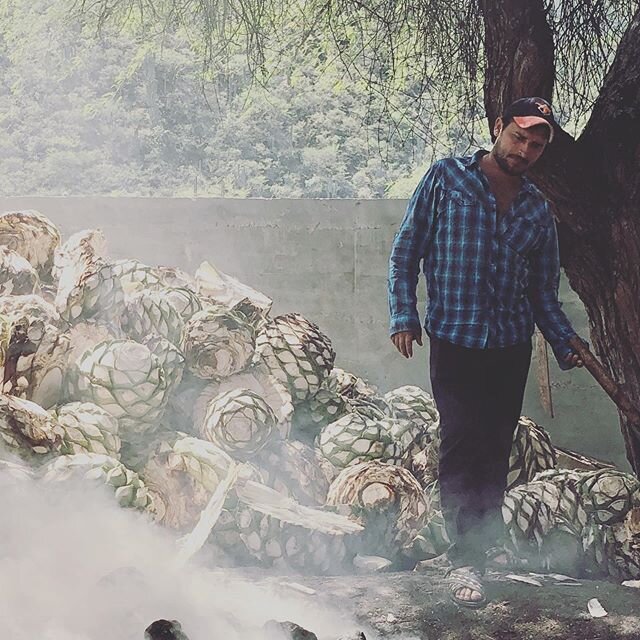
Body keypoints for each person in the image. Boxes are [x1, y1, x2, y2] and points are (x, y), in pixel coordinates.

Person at [387, 97, 585, 608]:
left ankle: (485, 543)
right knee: (461, 441)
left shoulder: (538, 210)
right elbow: (406, 250)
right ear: (498, 129)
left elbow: (544, 292)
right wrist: (403, 314)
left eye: (536, 144)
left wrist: (566, 341)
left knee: (495, 446)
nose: (525, 149)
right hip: (453, 339)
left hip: (509, 345)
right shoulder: (446, 179)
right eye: (519, 137)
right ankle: (465, 558)